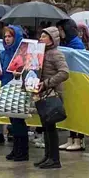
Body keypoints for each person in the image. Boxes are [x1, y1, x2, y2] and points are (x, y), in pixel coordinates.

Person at [33, 27, 69, 170]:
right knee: (45, 126)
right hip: (41, 94)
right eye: (40, 36)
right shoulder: (40, 53)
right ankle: (48, 156)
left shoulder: (55, 54)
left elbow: (64, 73)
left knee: (51, 127)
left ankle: (54, 159)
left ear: (52, 39)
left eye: (44, 36)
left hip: (52, 94)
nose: (41, 38)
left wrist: (47, 83)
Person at [0, 26, 29, 161]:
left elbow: (30, 71)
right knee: (13, 122)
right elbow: (0, 73)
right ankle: (16, 149)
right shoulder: (3, 54)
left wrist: (19, 73)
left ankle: (23, 151)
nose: (7, 39)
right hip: (6, 89)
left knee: (19, 121)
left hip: (19, 89)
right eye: (5, 36)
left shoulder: (22, 54)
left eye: (10, 36)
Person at [55, 19, 86, 152]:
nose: (59, 33)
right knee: (70, 110)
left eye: (61, 30)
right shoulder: (66, 43)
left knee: (78, 111)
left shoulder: (76, 44)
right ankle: (71, 137)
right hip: (69, 81)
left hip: (77, 81)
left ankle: (79, 139)